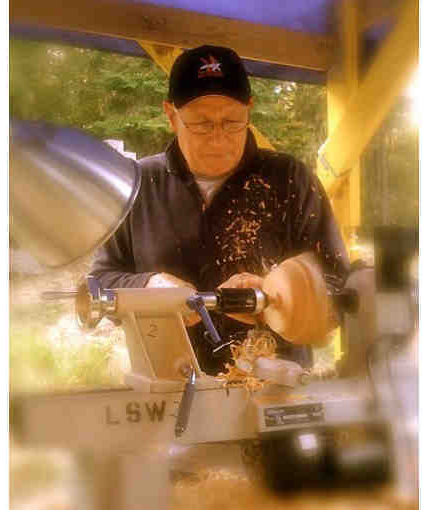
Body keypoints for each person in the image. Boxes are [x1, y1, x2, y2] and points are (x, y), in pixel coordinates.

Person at [89, 45, 349, 375]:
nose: (218, 138)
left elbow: (339, 284)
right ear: (171, 115)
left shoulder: (291, 180)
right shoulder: (137, 185)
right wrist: (149, 287)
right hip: (167, 385)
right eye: (201, 123)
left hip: (273, 388)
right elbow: (100, 280)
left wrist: (283, 297)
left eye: (232, 122)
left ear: (250, 111)